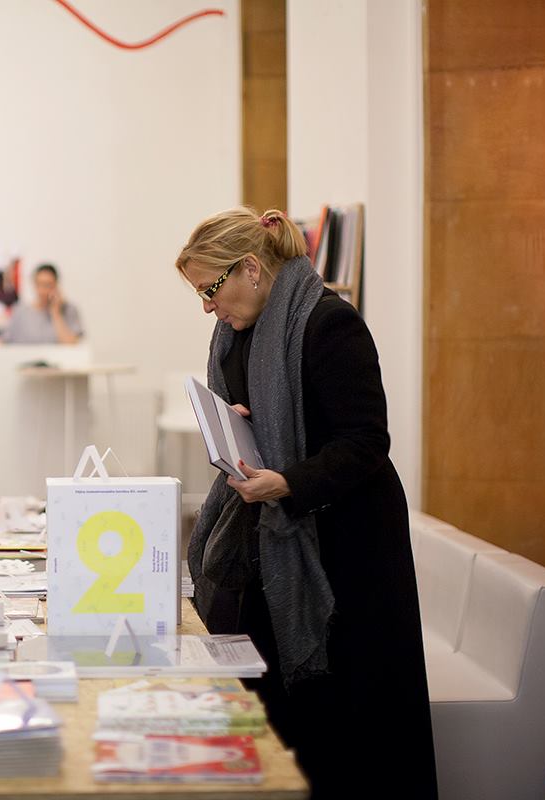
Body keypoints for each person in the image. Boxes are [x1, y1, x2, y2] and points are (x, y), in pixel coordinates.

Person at [177, 207, 437, 799]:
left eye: (210, 290)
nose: (208, 308)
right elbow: (268, 419)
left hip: (348, 545)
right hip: (278, 535)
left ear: (250, 268)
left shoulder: (329, 324)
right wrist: (239, 425)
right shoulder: (235, 334)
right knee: (283, 707)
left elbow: (366, 441)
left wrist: (289, 482)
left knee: (349, 714)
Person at [1, 263, 83, 344]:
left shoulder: (69, 310)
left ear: (56, 285)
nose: (42, 290)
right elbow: (5, 342)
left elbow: (71, 345)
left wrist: (56, 313)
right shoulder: (20, 311)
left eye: (47, 285)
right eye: (39, 284)